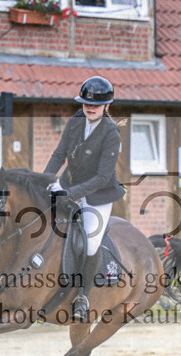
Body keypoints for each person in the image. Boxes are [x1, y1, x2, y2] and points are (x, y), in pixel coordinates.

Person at [43, 75, 125, 322]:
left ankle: (82, 297)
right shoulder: (75, 121)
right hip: (70, 182)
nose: (90, 108)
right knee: (40, 214)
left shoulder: (111, 133)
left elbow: (102, 177)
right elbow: (59, 155)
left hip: (98, 194)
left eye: (95, 105)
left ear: (106, 106)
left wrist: (71, 195)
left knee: (90, 243)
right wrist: (44, 180)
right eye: (86, 103)